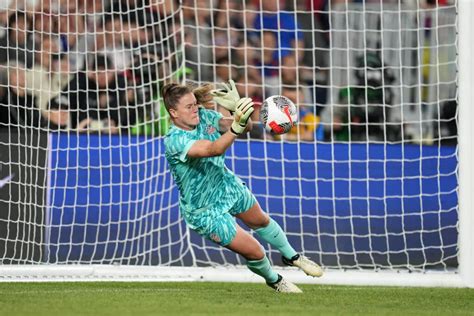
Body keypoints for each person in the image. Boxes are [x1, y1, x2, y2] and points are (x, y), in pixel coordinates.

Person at [162, 79, 323, 293]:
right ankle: (275, 280)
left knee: (261, 220)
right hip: (205, 210)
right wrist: (236, 127)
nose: (195, 109)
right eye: (189, 107)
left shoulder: (206, 117)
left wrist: (237, 110)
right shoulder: (175, 140)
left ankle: (292, 256)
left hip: (225, 185)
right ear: (174, 113)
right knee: (255, 252)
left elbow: (245, 127)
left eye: (195, 104)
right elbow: (212, 149)